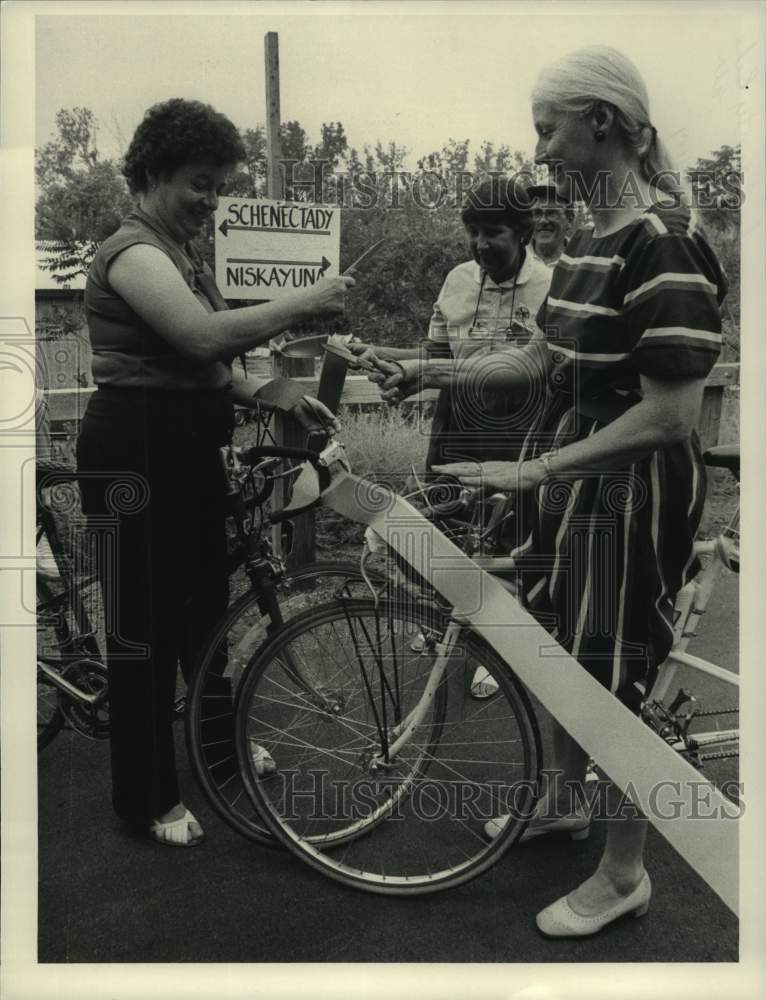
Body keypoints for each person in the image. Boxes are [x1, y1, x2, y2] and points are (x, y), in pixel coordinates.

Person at [377, 46, 726, 936]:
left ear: (600, 123)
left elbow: (670, 419)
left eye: (548, 128)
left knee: (617, 681)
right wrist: (426, 373)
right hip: (579, 484)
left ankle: (624, 874)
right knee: (567, 658)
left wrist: (533, 470)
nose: (538, 151)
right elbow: (543, 357)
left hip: (630, 495)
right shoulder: (587, 240)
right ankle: (566, 799)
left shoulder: (663, 242)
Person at [77, 98, 354, 848]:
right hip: (133, 454)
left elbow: (199, 368)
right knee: (142, 632)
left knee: (205, 618)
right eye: (200, 184)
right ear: (156, 172)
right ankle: (147, 798)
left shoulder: (183, 255)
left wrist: (273, 393)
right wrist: (308, 299)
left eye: (218, 186)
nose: (210, 202)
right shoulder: (133, 252)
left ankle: (217, 750)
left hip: (186, 451)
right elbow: (200, 336)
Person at [351, 176, 552, 469]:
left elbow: (545, 365)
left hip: (525, 430)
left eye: (493, 233)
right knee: (448, 509)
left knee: (511, 512)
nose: (480, 245)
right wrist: (381, 355)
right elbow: (437, 356)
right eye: (473, 232)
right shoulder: (457, 280)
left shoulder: (551, 284)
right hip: (459, 428)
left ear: (522, 233)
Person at [528, 183, 574, 266]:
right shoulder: (515, 259)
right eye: (537, 213)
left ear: (569, 220)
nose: (543, 220)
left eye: (551, 213)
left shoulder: (583, 260)